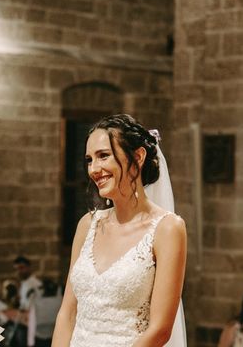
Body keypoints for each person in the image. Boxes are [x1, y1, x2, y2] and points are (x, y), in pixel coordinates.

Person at [52, 114, 187, 347]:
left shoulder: (167, 229)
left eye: (103, 156)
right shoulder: (87, 224)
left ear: (138, 156)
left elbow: (160, 329)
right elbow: (68, 313)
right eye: (89, 160)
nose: (94, 169)